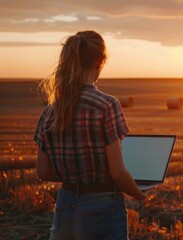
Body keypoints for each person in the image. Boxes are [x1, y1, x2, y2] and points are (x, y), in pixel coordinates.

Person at [33, 30, 147, 240]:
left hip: (65, 203)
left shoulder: (50, 111)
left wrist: (75, 176)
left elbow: (43, 171)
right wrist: (140, 194)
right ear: (100, 62)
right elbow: (117, 173)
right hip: (102, 206)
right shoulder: (106, 105)